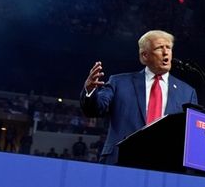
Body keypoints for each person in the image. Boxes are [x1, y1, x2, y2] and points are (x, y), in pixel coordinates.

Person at [80, 29, 198, 165]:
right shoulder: (119, 82)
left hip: (165, 166)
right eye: (160, 48)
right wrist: (90, 90)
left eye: (169, 48)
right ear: (144, 56)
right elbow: (94, 109)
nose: (166, 52)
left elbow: (191, 137)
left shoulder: (187, 93)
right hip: (121, 162)